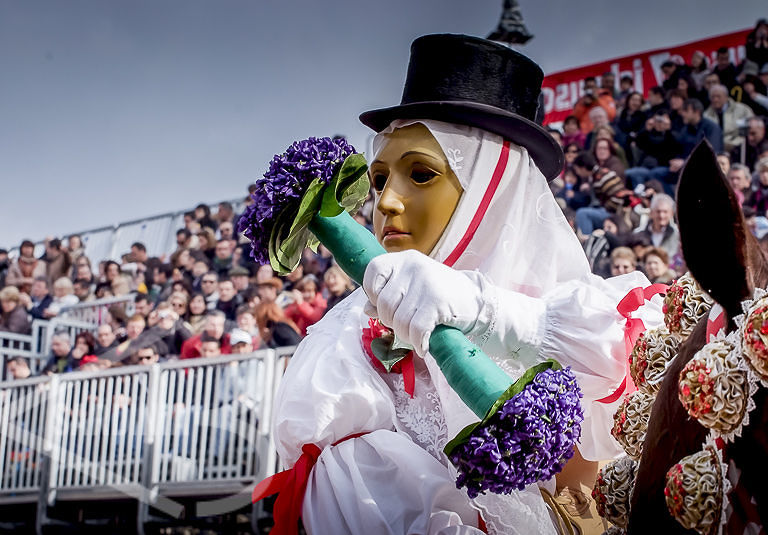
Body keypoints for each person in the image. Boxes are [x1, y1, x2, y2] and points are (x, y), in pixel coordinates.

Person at [270, 35, 663, 534]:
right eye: (379, 179)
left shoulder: (592, 320)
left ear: (490, 192)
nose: (386, 203)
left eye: (421, 174)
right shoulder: (342, 352)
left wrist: (491, 315)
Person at [703, 84, 755, 152]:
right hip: (715, 149)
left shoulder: (743, 110)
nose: (715, 100)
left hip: (739, 147)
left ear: (726, 97)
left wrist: (735, 143)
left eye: (718, 96)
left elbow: (752, 127)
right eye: (713, 97)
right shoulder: (706, 115)